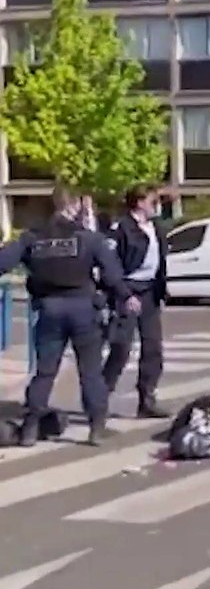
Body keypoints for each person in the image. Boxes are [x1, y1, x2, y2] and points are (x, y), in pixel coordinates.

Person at [0, 185, 140, 446]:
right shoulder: (88, 238)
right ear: (74, 206)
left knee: (44, 372)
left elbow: (3, 261)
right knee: (90, 372)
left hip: (49, 309)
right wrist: (127, 296)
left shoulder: (32, 237)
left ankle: (30, 427)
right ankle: (96, 427)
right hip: (83, 309)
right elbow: (112, 276)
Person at [102, 184, 169, 419]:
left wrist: (161, 293)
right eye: (154, 201)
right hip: (127, 289)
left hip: (150, 291)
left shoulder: (156, 228)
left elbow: (161, 263)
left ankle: (147, 399)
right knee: (121, 348)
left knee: (153, 348)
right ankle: (100, 398)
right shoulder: (121, 229)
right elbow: (110, 265)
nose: (157, 206)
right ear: (140, 203)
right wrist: (123, 294)